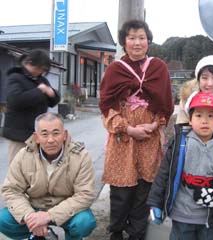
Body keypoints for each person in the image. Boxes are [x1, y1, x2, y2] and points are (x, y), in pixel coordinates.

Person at [99, 19, 174, 240]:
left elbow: (166, 104)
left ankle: (137, 233)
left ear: (148, 41)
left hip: (149, 139)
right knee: (121, 191)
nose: (137, 42)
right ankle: (116, 232)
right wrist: (128, 129)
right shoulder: (115, 70)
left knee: (144, 190)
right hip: (122, 139)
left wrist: (153, 125)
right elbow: (106, 107)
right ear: (124, 41)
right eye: (131, 38)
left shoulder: (158, 68)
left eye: (141, 37)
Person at [147, 92, 213, 240]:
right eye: (199, 116)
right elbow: (164, 174)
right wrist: (155, 203)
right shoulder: (180, 143)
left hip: (211, 218)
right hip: (182, 214)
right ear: (190, 120)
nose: (204, 121)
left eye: (211, 116)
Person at [0, 112, 97, 240]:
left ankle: (71, 236)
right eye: (44, 134)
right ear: (36, 137)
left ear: (65, 135)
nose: (50, 140)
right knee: (3, 220)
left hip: (66, 211)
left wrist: (49, 216)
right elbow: (11, 190)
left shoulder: (80, 157)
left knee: (84, 222)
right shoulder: (23, 156)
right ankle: (38, 234)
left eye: (56, 133)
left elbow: (85, 194)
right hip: (34, 207)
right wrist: (29, 216)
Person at [2, 49, 60, 162]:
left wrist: (52, 93)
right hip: (18, 134)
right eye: (41, 69)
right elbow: (15, 100)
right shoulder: (15, 77)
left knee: (36, 169)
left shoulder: (40, 80)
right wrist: (39, 91)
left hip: (37, 133)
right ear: (31, 64)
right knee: (17, 168)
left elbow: (53, 101)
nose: (41, 72)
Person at [176, 55, 213, 124]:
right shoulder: (188, 100)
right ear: (198, 80)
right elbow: (182, 129)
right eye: (204, 78)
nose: (210, 84)